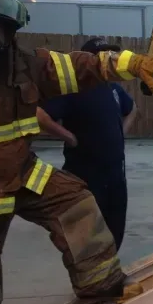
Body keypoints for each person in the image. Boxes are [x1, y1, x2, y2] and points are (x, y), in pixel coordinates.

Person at [0, 0, 153, 304]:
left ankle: (100, 288)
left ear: (12, 33)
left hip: (21, 173)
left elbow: (86, 65)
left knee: (76, 202)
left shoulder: (27, 65)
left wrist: (134, 62)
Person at [35, 37, 139, 250]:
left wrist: (122, 133)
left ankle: (110, 267)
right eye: (104, 55)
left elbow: (133, 108)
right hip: (86, 172)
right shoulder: (73, 89)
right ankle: (94, 276)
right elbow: (40, 115)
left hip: (115, 172)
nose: (110, 60)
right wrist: (68, 137)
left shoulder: (113, 89)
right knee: (88, 229)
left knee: (115, 222)